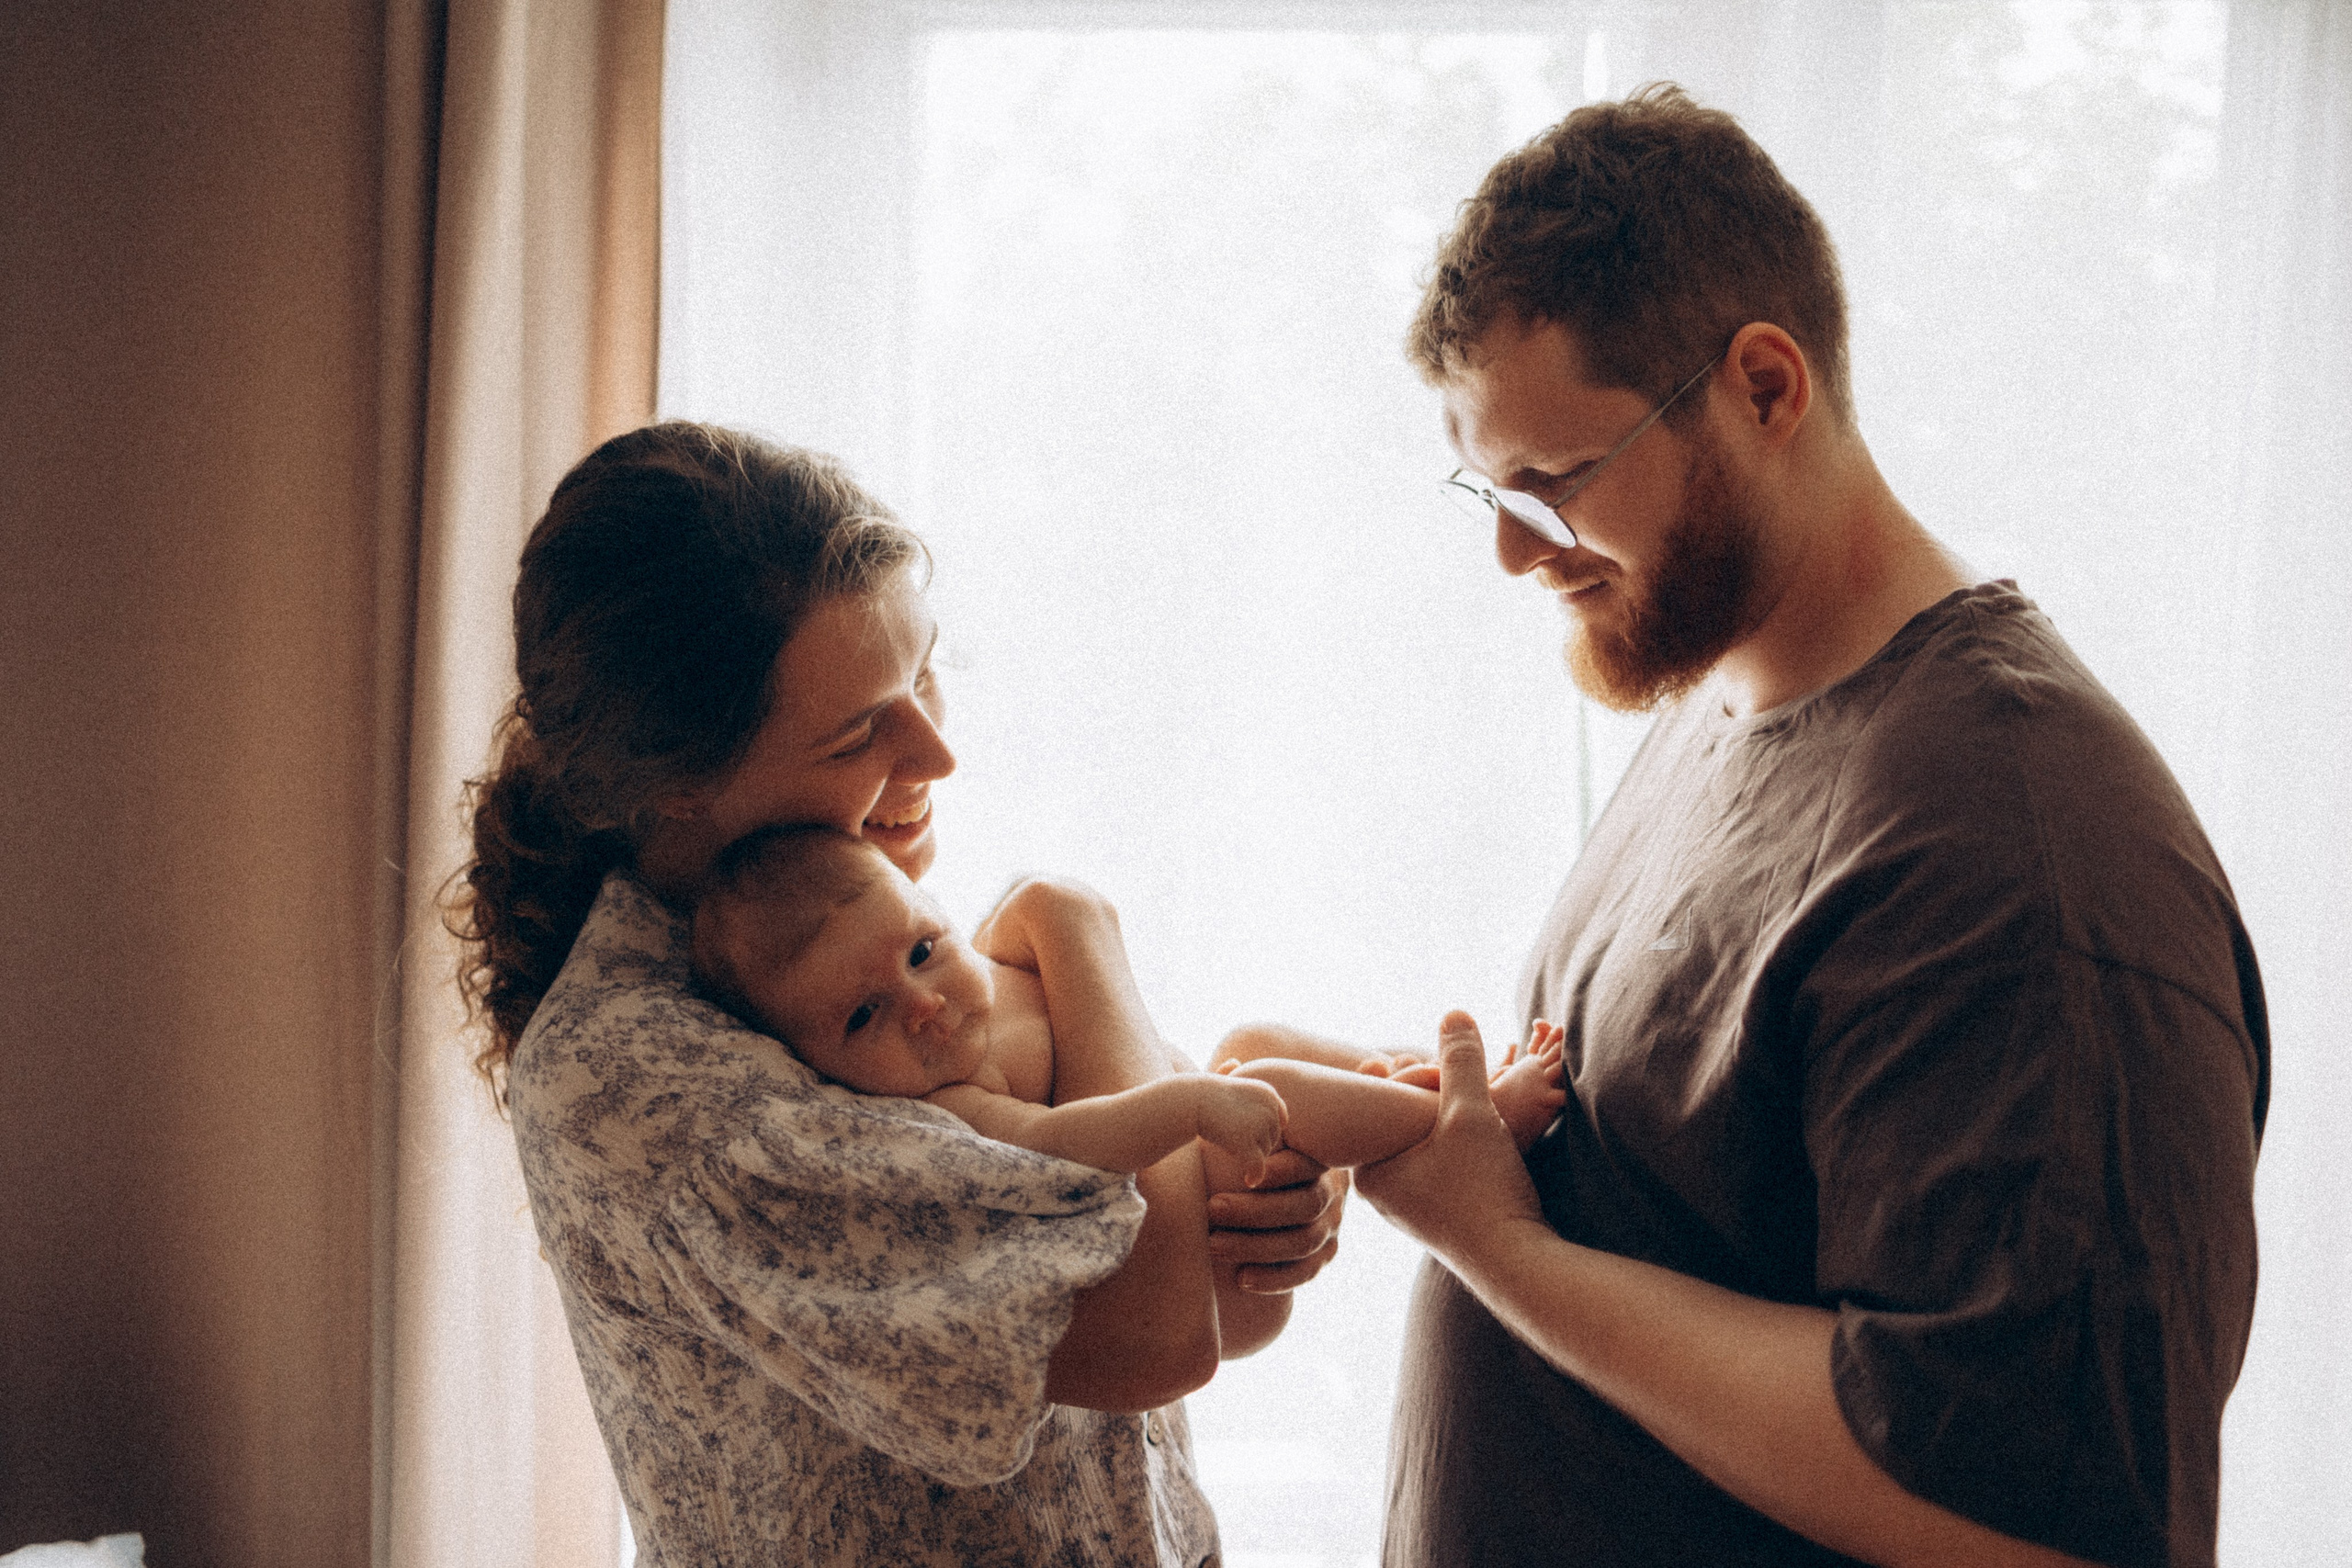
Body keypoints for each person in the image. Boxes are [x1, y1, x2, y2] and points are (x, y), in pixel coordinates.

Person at [1337, 85, 2267, 1568]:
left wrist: (1499, 1248)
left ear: (1767, 386)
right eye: (1487, 489)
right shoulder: (1720, 698)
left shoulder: (2020, 847)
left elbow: (2027, 1510)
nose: (1515, 550)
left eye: (1554, 483)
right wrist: (1447, 1131)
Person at [447, 422, 1348, 1567]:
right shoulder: (643, 1083)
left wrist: (1258, 1211)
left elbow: (1170, 1315)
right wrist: (1079, 928)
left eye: (921, 676)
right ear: (676, 780)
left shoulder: (858, 945)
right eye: (862, 729)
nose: (936, 754)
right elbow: (1148, 1334)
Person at [687, 823, 1568, 1179]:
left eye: (922, 949)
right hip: (1201, 1179)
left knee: (1253, 1036)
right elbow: (1062, 1144)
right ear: (810, 1063)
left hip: (1216, 1113)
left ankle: (1432, 1081)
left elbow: (1043, 916)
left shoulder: (992, 953)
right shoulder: (954, 1102)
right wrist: (1190, 1102)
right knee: (1271, 1078)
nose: (921, 1002)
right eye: (861, 1017)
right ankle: (1467, 1125)